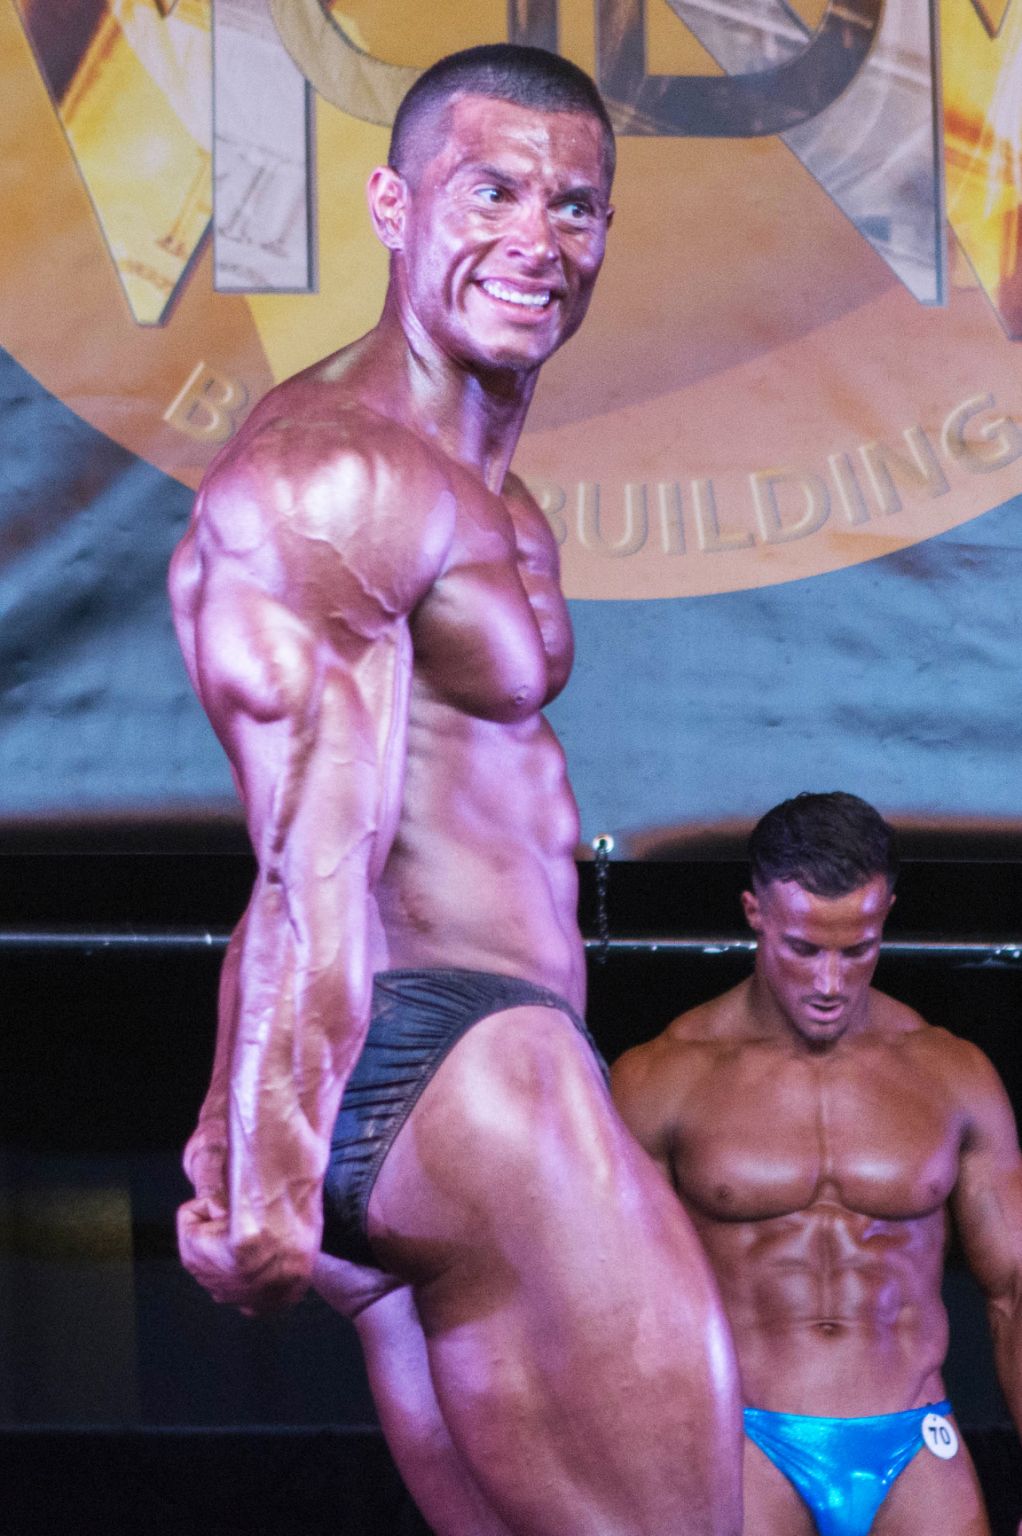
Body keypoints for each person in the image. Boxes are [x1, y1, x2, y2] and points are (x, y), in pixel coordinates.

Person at [168, 43, 741, 1536]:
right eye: (491, 192)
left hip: (442, 1065)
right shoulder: (333, 476)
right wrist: (265, 1157)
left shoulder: (486, 488)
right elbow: (312, 845)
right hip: (463, 1068)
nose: (537, 239)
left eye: (574, 206)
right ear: (391, 206)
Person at [612, 791, 1022, 1536]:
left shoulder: (952, 1073)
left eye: (857, 950)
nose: (830, 984)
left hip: (915, 1436)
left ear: (886, 914)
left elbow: (1014, 1289)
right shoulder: (663, 1077)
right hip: (745, 1439)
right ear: (755, 913)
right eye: (803, 949)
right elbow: (611, 1308)